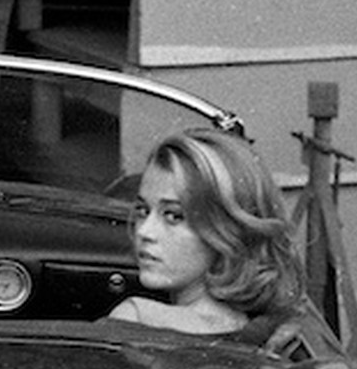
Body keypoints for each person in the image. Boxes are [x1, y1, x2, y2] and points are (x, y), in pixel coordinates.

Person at [107, 128, 304, 337]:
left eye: (173, 216)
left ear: (226, 229)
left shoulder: (136, 318)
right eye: (143, 211)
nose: (145, 231)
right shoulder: (262, 329)